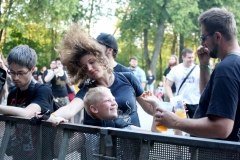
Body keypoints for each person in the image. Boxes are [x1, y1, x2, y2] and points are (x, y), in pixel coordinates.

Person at [44, 23, 155, 128]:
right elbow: (70, 109)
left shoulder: (128, 78)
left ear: (101, 58)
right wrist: (51, 117)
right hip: (101, 144)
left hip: (132, 141)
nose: (89, 68)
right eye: (84, 67)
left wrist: (157, 105)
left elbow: (150, 109)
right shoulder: (89, 90)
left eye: (92, 62)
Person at [155, 7, 240, 142]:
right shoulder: (233, 64)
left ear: (217, 36)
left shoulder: (227, 68)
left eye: (203, 37)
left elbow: (222, 128)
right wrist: (204, 65)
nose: (202, 43)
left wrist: (175, 122)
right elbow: (211, 96)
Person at [0, 45, 54, 159]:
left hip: (40, 155)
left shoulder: (43, 90)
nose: (15, 77)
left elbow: (27, 113)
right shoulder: (13, 92)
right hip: (18, 154)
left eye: (21, 73)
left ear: (32, 69)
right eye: (12, 72)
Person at [83, 86, 159, 132]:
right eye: (107, 100)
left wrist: (155, 105)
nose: (114, 103)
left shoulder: (124, 127)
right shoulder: (85, 132)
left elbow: (155, 134)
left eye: (113, 99)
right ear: (94, 109)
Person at [165, 48, 200, 119]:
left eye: (192, 57)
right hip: (180, 102)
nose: (191, 59)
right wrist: (172, 99)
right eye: (189, 57)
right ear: (183, 57)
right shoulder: (176, 69)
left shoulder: (198, 69)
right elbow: (167, 85)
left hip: (195, 101)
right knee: (178, 125)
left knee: (196, 126)